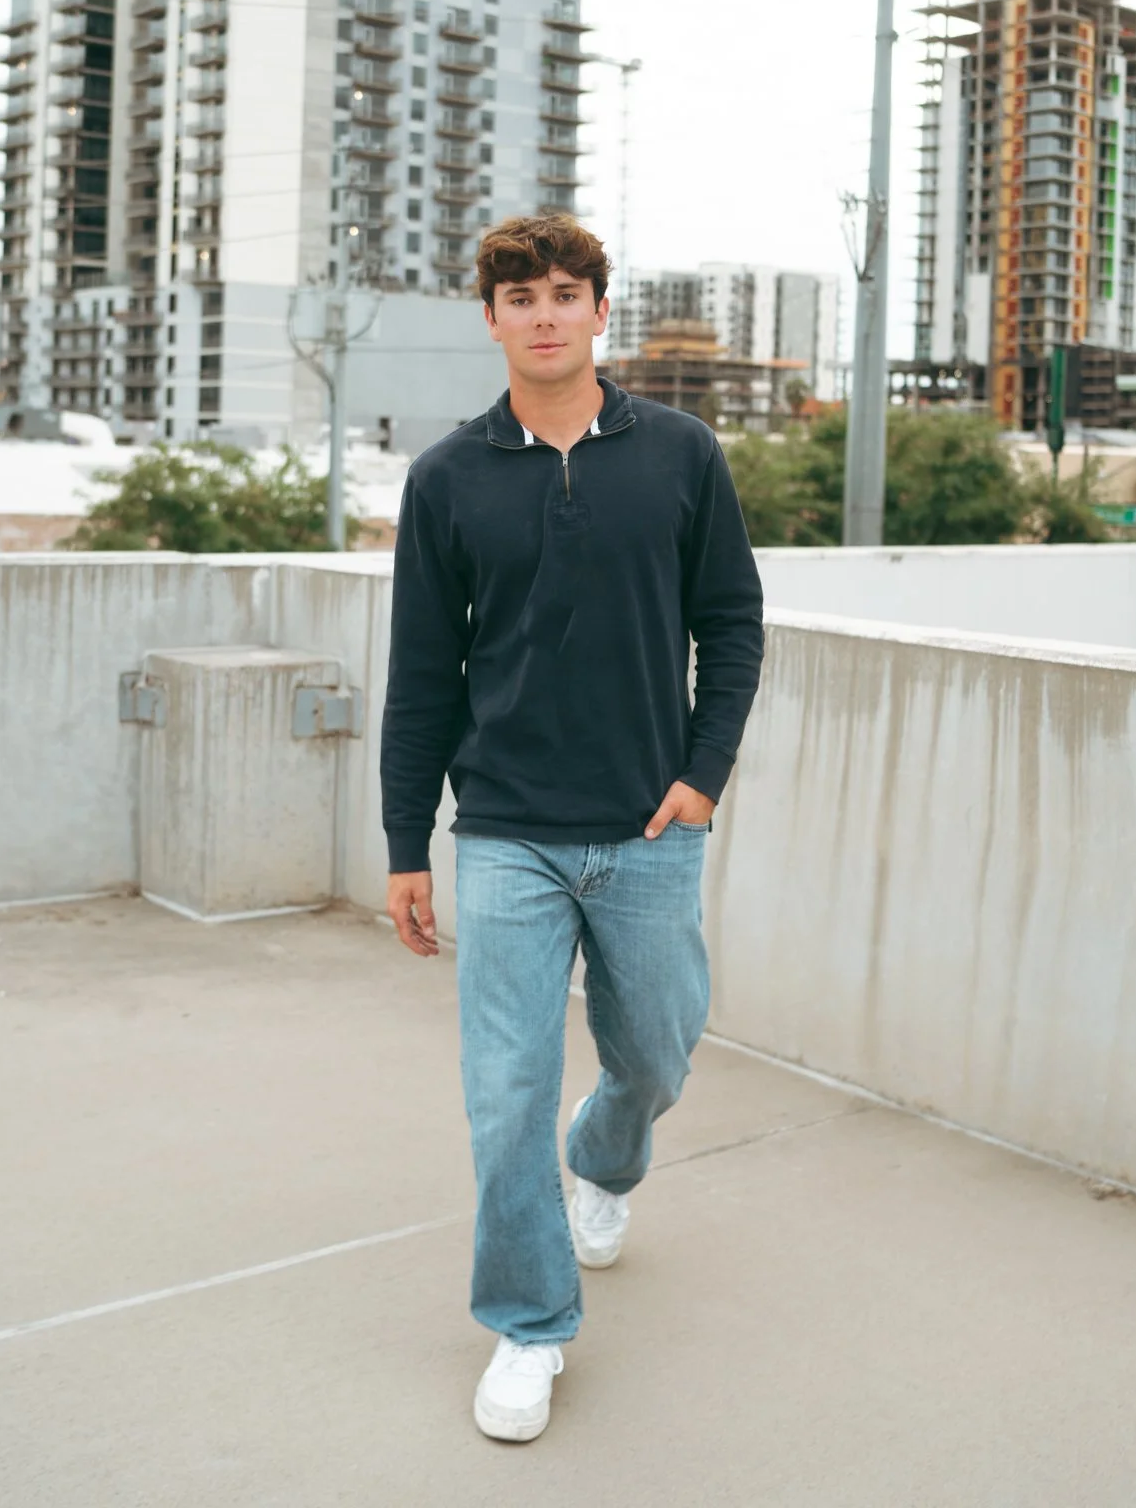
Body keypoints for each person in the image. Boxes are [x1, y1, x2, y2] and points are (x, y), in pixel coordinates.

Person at [381, 213, 765, 1443]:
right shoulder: (447, 476)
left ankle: (604, 1162)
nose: (543, 312)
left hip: (653, 824)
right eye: (518, 295)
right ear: (488, 316)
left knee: (654, 1053)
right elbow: (422, 676)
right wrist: (405, 844)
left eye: (565, 291)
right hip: (503, 830)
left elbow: (734, 623)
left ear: (602, 309)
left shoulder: (681, 453)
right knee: (505, 1090)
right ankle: (529, 1325)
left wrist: (703, 775)